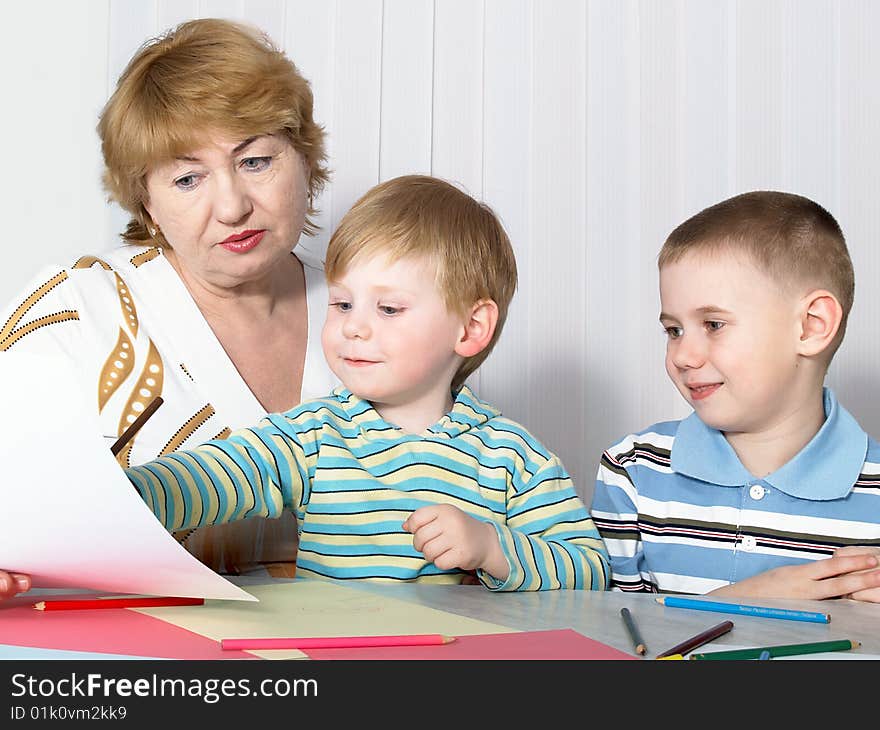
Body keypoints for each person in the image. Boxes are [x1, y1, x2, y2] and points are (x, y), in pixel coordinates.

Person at [125, 175, 611, 590]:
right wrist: (122, 492)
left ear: (470, 329)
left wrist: (491, 547)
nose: (353, 326)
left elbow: (590, 569)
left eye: (388, 308)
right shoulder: (315, 434)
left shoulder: (510, 457)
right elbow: (213, 477)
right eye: (342, 304)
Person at [0, 18, 340, 599]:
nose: (232, 206)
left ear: (305, 161)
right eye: (187, 178)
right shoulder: (78, 310)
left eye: (256, 160)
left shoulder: (379, 312)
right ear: (147, 203)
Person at [590, 190, 880, 601]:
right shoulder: (633, 470)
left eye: (713, 324)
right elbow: (614, 641)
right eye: (673, 330)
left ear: (811, 326)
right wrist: (747, 598)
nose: (683, 356)